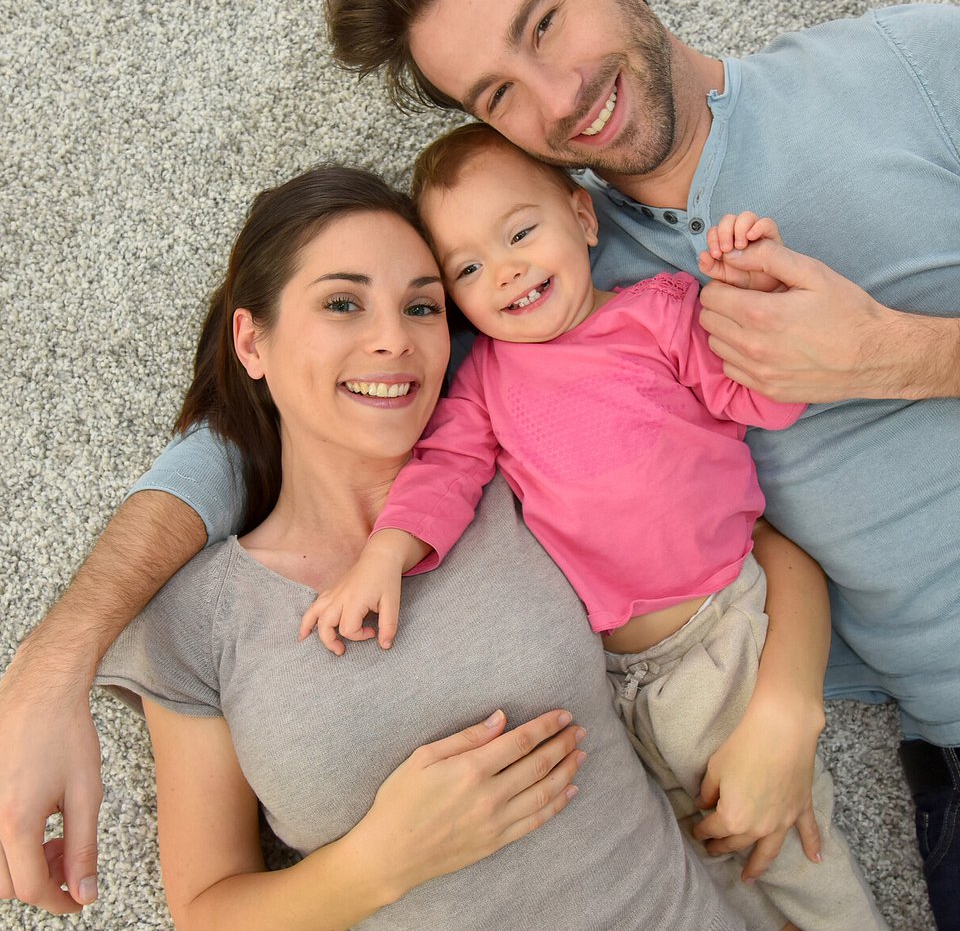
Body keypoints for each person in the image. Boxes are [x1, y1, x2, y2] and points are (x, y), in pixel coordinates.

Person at [0, 0, 960, 927]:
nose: (556, 98)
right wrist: (52, 670)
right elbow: (281, 414)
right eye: (498, 92)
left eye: (544, 24)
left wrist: (894, 351)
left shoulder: (918, 64)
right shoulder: (540, 281)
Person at [91, 164, 741, 929]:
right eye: (343, 303)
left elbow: (732, 543)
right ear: (251, 341)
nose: (393, 340)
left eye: (422, 306)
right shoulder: (199, 616)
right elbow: (207, 912)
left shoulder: (513, 470)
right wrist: (379, 864)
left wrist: (787, 713)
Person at [297, 124, 884, 931]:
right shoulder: (483, 380)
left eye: (519, 233)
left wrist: (757, 295)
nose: (505, 271)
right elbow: (444, 472)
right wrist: (385, 556)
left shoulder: (661, 316)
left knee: (787, 854)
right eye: (468, 269)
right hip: (611, 688)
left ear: (582, 217)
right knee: (712, 880)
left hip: (719, 640)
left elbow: (766, 393)